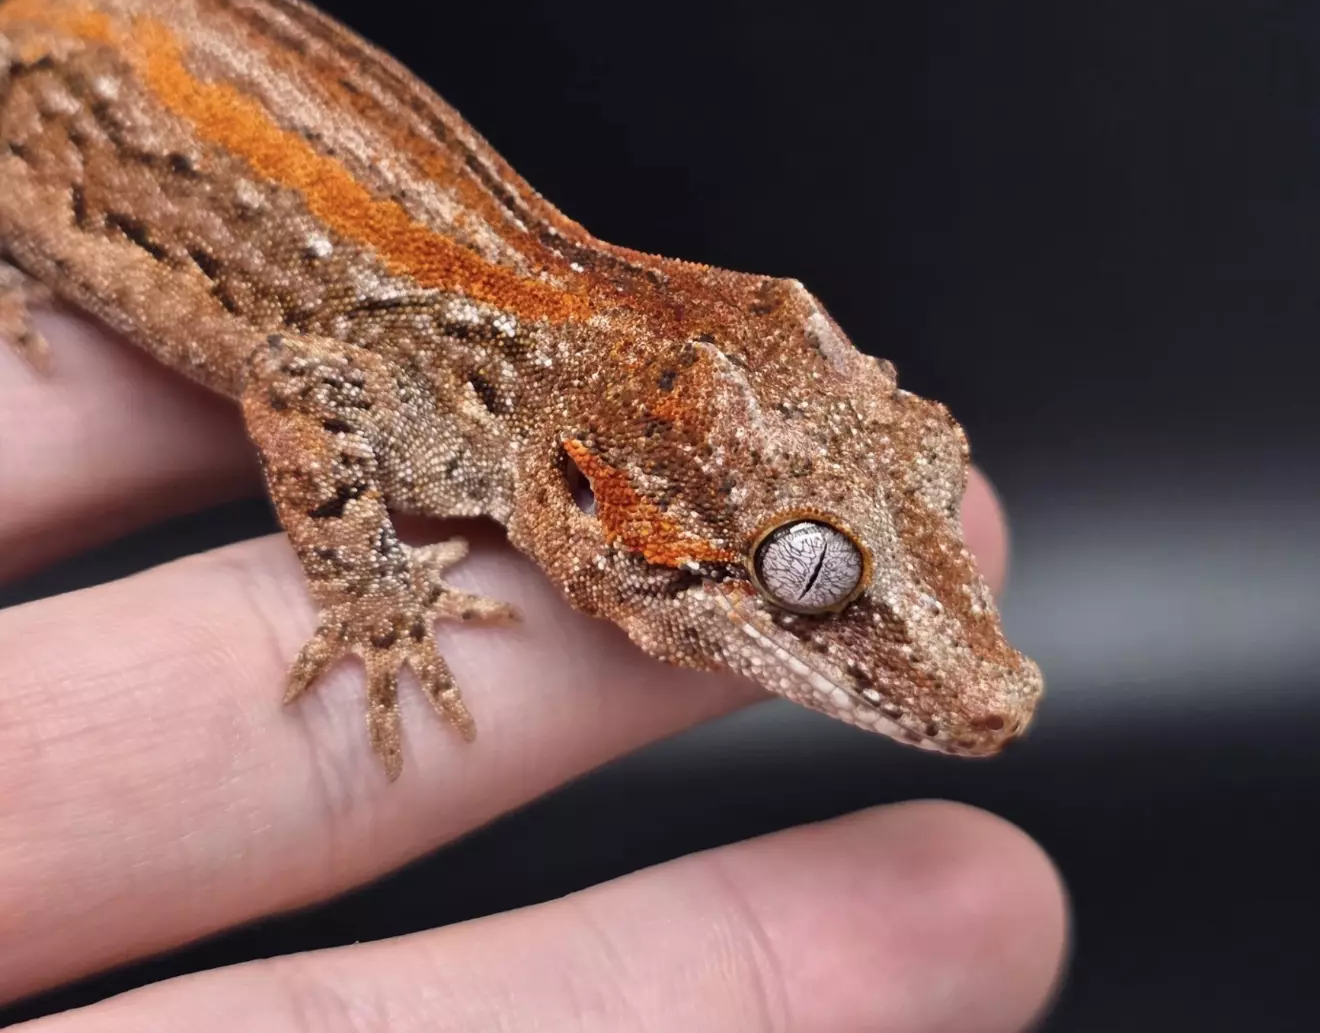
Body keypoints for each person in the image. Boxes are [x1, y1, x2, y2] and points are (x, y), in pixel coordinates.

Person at [0, 307, 1068, 1030]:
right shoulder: (458, 414)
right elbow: (297, 381)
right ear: (597, 487)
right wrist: (362, 583)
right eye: (805, 567)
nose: (985, 690)